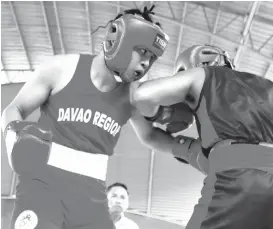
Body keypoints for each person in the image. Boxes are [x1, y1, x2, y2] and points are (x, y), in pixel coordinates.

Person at [1, 6, 178, 229]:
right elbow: (13, 109)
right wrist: (12, 142)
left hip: (92, 202)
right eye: (142, 51)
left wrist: (191, 151)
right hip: (41, 190)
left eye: (151, 57)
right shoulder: (60, 69)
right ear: (119, 39)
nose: (146, 63)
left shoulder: (134, 96)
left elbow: (150, 136)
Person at [132, 44, 273, 229]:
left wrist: (161, 114)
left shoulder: (200, 75)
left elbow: (141, 95)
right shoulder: (272, 88)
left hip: (235, 171)